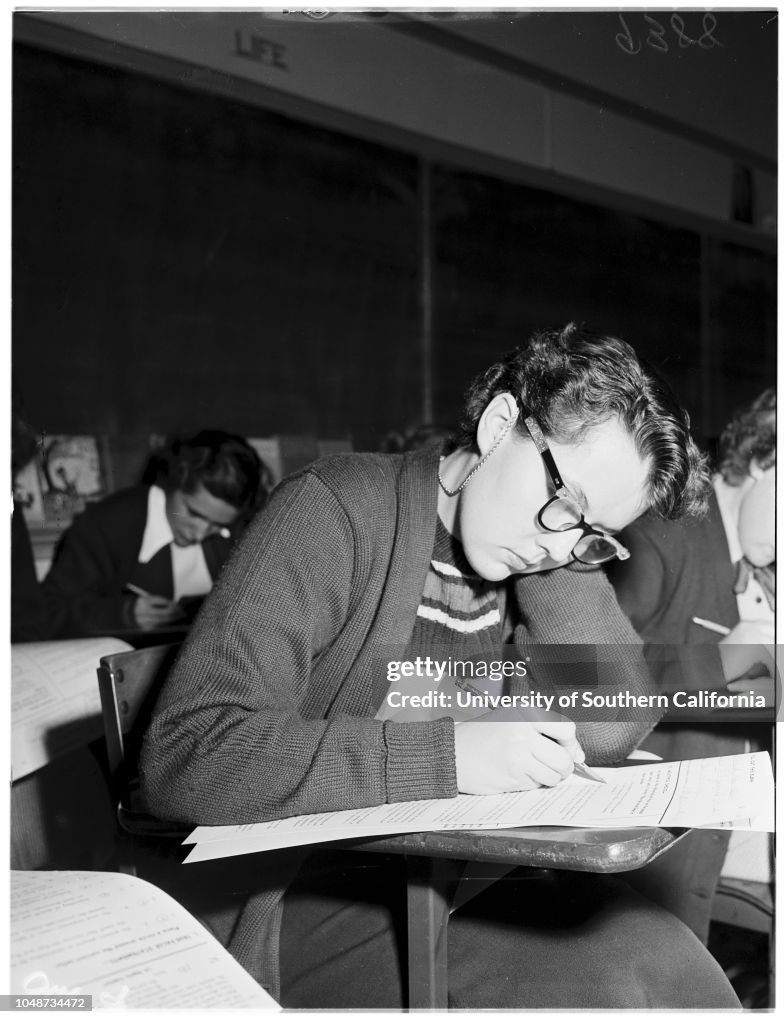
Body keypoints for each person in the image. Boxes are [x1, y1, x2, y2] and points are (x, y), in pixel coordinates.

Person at [140, 324, 739, 1009]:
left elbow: (611, 725)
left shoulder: (537, 556)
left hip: (455, 874)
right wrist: (450, 757)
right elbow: (190, 754)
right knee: (616, 980)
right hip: (300, 896)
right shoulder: (335, 508)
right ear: (499, 422)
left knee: (675, 967)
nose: (562, 542)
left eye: (592, 533)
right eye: (566, 501)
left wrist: (556, 549)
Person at [607, 389, 775, 947]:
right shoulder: (659, 534)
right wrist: (723, 660)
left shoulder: (759, 549)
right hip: (672, 833)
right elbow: (577, 679)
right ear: (763, 460)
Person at [42, 429, 266, 638]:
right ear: (172, 480)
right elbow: (48, 613)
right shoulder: (106, 524)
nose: (199, 534)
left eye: (217, 525)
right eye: (193, 513)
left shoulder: (239, 530)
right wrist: (122, 614)